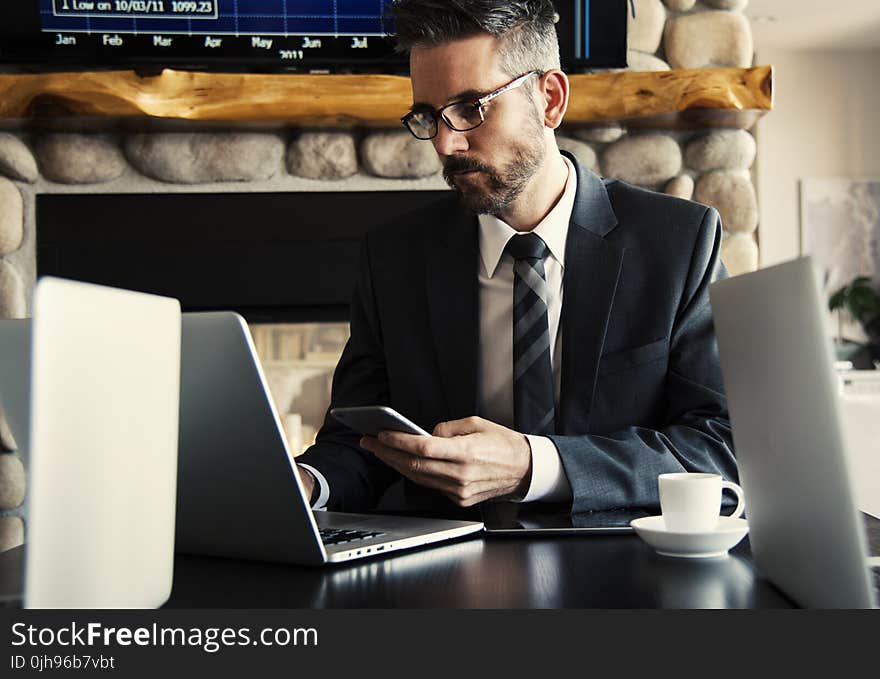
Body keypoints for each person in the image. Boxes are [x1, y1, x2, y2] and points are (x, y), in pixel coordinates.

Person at [295, 0, 736, 519]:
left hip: (620, 565)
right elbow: (359, 441)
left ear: (550, 99)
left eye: (470, 108)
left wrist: (535, 465)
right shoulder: (393, 258)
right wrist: (305, 481)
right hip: (446, 572)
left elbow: (718, 446)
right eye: (427, 116)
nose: (445, 142)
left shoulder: (679, 243)